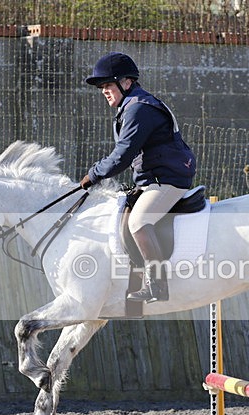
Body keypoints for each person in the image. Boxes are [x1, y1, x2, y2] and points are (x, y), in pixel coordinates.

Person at [79, 52, 197, 303]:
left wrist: (92, 175)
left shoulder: (139, 108)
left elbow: (122, 156)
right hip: (155, 177)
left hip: (167, 179)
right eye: (101, 87)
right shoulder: (132, 106)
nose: (104, 91)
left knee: (139, 222)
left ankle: (158, 285)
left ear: (126, 82)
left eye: (108, 85)